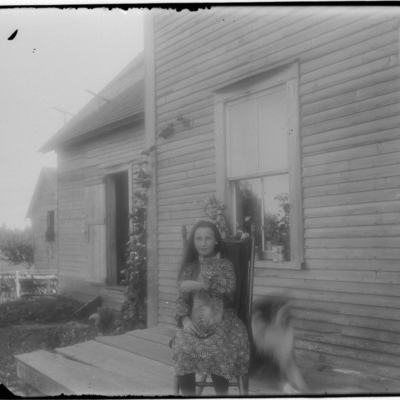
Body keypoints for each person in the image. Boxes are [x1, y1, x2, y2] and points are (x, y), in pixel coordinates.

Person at [172, 220, 250, 396]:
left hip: (224, 317)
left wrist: (200, 286)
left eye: (208, 238)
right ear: (194, 242)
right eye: (198, 238)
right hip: (195, 318)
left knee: (218, 346)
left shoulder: (225, 265)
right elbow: (180, 299)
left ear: (216, 241)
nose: (203, 243)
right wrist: (184, 320)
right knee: (183, 347)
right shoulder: (189, 267)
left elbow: (229, 288)